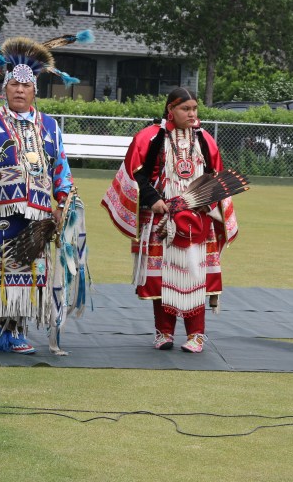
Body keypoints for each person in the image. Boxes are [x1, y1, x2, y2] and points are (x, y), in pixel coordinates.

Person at [0, 33, 91, 359]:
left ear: (34, 90)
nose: (19, 90)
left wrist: (63, 203)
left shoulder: (50, 127)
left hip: (36, 219)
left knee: (27, 276)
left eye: (26, 85)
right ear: (5, 88)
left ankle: (11, 332)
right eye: (14, 84)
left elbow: (61, 169)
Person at [101, 87, 239, 354]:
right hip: (162, 219)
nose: (192, 113)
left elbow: (216, 177)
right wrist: (153, 199)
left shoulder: (205, 140)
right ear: (170, 110)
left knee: (196, 274)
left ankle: (196, 335)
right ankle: (163, 333)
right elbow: (136, 174)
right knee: (163, 277)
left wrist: (206, 202)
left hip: (198, 219)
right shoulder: (150, 137)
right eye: (185, 109)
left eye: (194, 108)